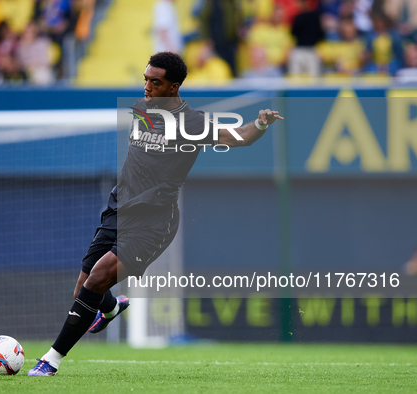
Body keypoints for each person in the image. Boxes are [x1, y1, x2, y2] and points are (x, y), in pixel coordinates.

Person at [27, 52, 284, 377]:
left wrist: (260, 123)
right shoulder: (141, 108)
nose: (147, 86)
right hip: (118, 209)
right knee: (83, 290)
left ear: (174, 87)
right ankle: (110, 308)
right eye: (146, 79)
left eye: (155, 82)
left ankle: (50, 361)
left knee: (99, 275)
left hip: (153, 220)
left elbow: (239, 137)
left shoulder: (193, 123)